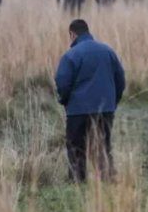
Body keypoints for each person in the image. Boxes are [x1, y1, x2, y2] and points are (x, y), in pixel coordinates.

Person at [55, 19, 126, 182]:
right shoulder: (108, 51)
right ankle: (107, 181)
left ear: (72, 34)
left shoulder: (70, 55)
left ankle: (77, 182)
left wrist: (65, 101)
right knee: (103, 147)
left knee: (76, 148)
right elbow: (121, 80)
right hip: (105, 109)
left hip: (78, 111)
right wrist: (112, 103)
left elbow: (62, 82)